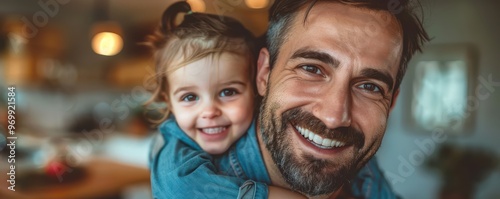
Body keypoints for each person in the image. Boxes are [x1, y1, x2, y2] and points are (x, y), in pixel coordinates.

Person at [150, 0, 429, 198]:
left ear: (390, 103)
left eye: (369, 86)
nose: (334, 116)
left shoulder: (366, 171)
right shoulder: (195, 173)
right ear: (264, 73)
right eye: (311, 69)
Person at [146, 1, 306, 198]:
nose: (210, 111)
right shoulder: (175, 158)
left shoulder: (268, 124)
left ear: (256, 85)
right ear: (169, 102)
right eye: (190, 97)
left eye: (228, 92)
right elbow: (182, 188)